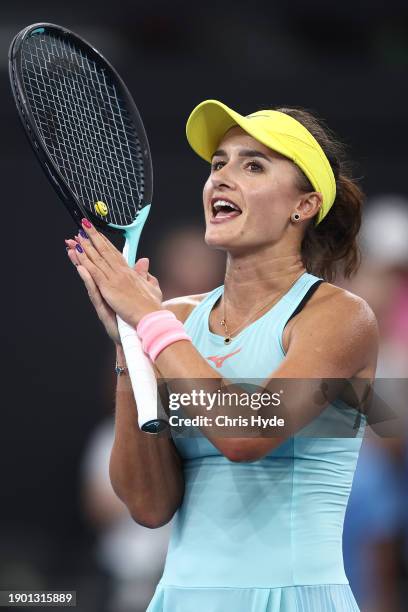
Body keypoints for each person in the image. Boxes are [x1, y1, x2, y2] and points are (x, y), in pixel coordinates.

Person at [65, 100, 379, 611]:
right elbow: (148, 504)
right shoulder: (176, 318)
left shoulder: (340, 316)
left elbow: (246, 433)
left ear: (304, 205)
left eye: (253, 165)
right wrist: (131, 351)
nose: (222, 179)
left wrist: (150, 322)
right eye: (218, 165)